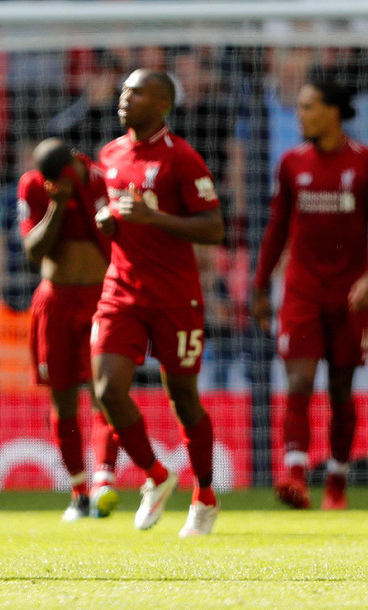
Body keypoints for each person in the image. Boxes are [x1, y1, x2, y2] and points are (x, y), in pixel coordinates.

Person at [91, 69, 225, 537]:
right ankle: (155, 474)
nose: (125, 97)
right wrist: (107, 220)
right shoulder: (110, 154)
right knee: (108, 391)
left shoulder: (182, 159)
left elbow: (214, 229)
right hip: (122, 291)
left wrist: (154, 217)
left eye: (137, 91)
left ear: (163, 103)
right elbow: (110, 213)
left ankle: (205, 495)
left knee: (184, 398)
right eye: (124, 89)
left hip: (174, 297)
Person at [252, 80, 368, 510]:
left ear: (333, 112)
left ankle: (336, 479)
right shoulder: (291, 164)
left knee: (340, 390)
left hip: (350, 294)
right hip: (301, 290)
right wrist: (260, 285)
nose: (301, 114)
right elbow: (277, 228)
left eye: (308, 106)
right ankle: (295, 473)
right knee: (297, 381)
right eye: (299, 106)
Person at [18, 137, 120, 520]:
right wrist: (57, 206)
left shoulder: (101, 180)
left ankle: (103, 483)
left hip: (99, 301)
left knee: (104, 392)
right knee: (62, 400)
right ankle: (78, 492)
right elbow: (33, 250)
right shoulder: (33, 186)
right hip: (55, 304)